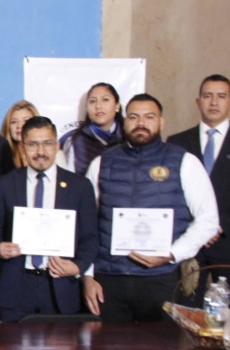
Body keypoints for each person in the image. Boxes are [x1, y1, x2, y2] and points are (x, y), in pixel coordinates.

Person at [83, 95, 220, 321]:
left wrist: (172, 254)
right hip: (109, 280)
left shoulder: (184, 162)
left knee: (163, 343)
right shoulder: (102, 163)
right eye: (133, 117)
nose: (141, 123)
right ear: (124, 121)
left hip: (162, 279)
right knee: (108, 344)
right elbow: (86, 225)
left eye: (149, 117)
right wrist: (88, 277)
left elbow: (208, 220)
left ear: (161, 122)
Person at [167, 74, 230, 307]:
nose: (214, 102)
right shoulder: (177, 142)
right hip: (189, 242)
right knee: (185, 312)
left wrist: (216, 226)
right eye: (208, 96)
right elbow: (170, 192)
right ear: (198, 101)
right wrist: (198, 229)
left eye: (221, 96)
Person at [0, 117, 99, 321]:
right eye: (33, 144)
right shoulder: (4, 184)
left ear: (57, 145)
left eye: (47, 143)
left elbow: (90, 237)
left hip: (61, 287)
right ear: (23, 148)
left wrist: (77, 267)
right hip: (16, 288)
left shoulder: (80, 186)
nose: (41, 151)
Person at [58, 82, 123, 173]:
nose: (98, 106)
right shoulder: (77, 141)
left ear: (117, 106)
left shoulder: (128, 137)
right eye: (92, 101)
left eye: (105, 100)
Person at [0, 100, 40, 169]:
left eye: (26, 121)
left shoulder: (49, 156)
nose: (19, 126)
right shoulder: (0, 158)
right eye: (14, 122)